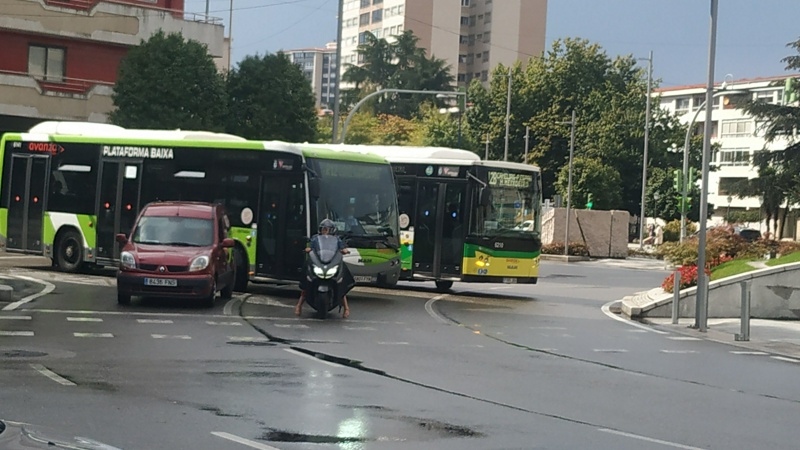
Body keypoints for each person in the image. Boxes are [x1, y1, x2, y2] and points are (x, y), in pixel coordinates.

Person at [295, 219, 351, 318]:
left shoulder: (337, 239)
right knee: (306, 281)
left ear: (332, 230)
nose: (324, 231)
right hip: (319, 262)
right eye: (323, 229)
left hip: (331, 262)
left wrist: (344, 250)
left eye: (327, 229)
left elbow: (342, 248)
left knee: (341, 283)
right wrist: (309, 249)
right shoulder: (315, 238)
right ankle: (299, 305)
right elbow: (312, 247)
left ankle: (346, 308)